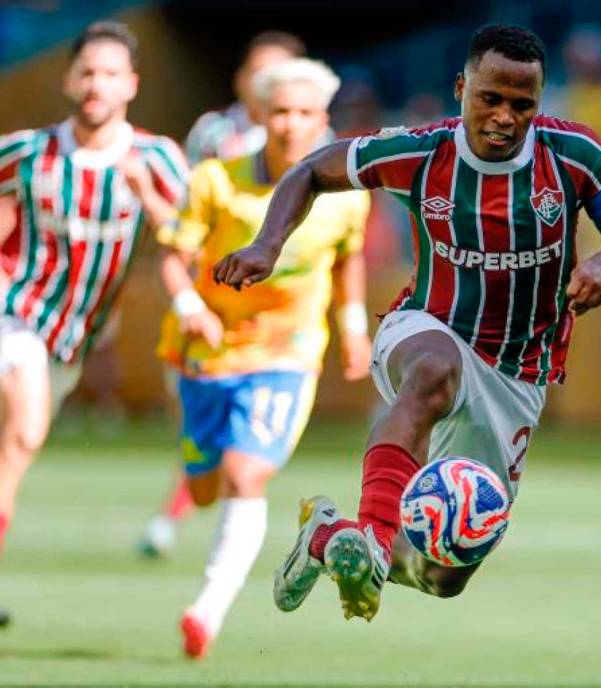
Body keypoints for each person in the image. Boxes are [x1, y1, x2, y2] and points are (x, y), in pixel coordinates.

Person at [214, 23, 601, 622]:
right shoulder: (421, 152)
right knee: (431, 371)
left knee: (444, 575)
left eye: (522, 105)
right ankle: (373, 536)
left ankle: (327, 539)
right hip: (429, 326)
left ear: (539, 102)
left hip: (517, 373)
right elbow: (313, 169)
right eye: (490, 98)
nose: (504, 117)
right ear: (461, 89)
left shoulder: (574, 155)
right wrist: (267, 244)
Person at [158, 58, 371, 658]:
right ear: (259, 115)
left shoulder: (346, 196)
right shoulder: (215, 181)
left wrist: (353, 326)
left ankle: (207, 610)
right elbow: (172, 255)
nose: (291, 124)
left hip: (287, 352)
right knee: (203, 487)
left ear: (323, 118)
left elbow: (348, 259)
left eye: (305, 113)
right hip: (208, 350)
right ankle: (196, 479)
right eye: (279, 112)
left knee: (246, 474)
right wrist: (188, 305)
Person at [0, 21, 187, 620]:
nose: (95, 84)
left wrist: (147, 195)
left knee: (16, 448)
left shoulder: (157, 158)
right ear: (68, 79)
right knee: (25, 431)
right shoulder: (28, 151)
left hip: (75, 337)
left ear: (131, 84)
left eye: (109, 74)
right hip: (16, 310)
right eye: (86, 72)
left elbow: (188, 237)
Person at [139, 30, 308, 558]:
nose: (269, 84)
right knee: (195, 423)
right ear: (241, 80)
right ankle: (195, 486)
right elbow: (184, 214)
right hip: (205, 302)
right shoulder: (214, 135)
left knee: (245, 453)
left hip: (274, 321)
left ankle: (185, 515)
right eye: (259, 72)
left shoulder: (312, 137)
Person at [184, 31, 306, 165]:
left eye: (277, 76)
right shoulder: (210, 130)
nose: (266, 84)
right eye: (257, 73)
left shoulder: (313, 132)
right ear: (239, 78)